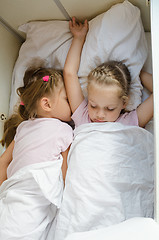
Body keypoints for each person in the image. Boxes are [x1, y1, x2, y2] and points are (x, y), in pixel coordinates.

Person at [0, 64, 73, 239]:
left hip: (14, 192)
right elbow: (66, 172)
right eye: (67, 99)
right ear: (47, 104)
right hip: (32, 193)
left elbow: (3, 161)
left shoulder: (23, 127)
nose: (71, 104)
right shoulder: (63, 130)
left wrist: (3, 191)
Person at [63, 17, 153, 128]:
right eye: (93, 106)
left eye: (110, 109)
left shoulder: (128, 123)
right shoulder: (83, 116)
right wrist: (78, 38)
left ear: (124, 103)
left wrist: (138, 73)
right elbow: (69, 73)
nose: (100, 115)